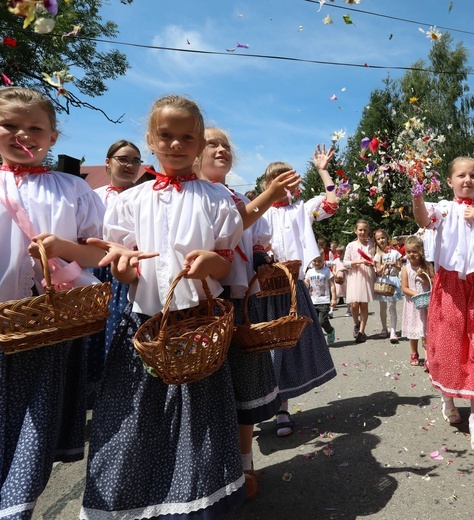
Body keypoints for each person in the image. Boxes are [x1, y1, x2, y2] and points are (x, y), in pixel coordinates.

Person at [0, 86, 107, 518]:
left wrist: (63, 248)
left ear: (53, 137)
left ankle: (16, 508)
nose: (23, 135)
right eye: (9, 126)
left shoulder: (74, 190)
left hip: (47, 326)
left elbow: (98, 254)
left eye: (35, 127)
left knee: (32, 427)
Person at [80, 95, 246, 518]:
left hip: (200, 327)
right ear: (151, 139)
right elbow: (126, 270)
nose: (176, 144)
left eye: (187, 137)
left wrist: (215, 262)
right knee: (137, 418)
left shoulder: (216, 198)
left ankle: (200, 505)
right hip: (145, 322)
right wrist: (122, 268)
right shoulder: (130, 201)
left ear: (199, 143)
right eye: (166, 136)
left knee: (200, 421)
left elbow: (226, 264)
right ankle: (137, 504)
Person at [196, 126, 300, 499]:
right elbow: (229, 226)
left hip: (239, 305)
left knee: (242, 389)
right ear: (195, 151)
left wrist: (262, 263)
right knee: (206, 393)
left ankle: (245, 463)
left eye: (225, 144)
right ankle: (209, 470)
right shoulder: (191, 195)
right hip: (199, 306)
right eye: (212, 143)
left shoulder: (237, 195)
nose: (221, 149)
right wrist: (270, 196)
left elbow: (254, 244)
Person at [412, 156, 474, 455]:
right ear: (451, 180)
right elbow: (423, 220)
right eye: (461, 176)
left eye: (473, 176)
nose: (467, 180)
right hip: (449, 287)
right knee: (449, 348)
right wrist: (417, 196)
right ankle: (448, 399)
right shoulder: (444, 208)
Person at [258, 146, 338, 437]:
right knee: (260, 353)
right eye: (276, 179)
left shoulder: (302, 209)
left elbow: (332, 203)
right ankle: (255, 408)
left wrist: (322, 170)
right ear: (266, 185)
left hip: (291, 288)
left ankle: (282, 410)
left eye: (289, 178)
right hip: (260, 289)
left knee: (286, 351)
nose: (283, 184)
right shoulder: (258, 210)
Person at [85, 140, 143, 404]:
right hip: (93, 273)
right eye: (123, 159)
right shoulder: (91, 196)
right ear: (108, 162)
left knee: (122, 332)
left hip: (126, 274)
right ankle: (89, 393)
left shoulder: (144, 197)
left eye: (135, 160)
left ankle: (118, 395)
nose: (130, 165)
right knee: (91, 334)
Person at [400, 236, 434, 367]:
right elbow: (404, 288)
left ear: (421, 251)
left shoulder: (427, 266)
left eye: (414, 251)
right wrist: (417, 294)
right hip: (413, 304)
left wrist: (423, 277)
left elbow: (434, 283)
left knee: (426, 330)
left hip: (426, 303)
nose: (411, 255)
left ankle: (428, 357)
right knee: (413, 330)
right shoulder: (406, 269)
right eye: (408, 252)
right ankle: (414, 352)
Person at [344, 219, 375, 344]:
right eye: (360, 230)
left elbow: (375, 259)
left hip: (366, 276)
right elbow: (345, 262)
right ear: (355, 231)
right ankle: (356, 324)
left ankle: (361, 332)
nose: (362, 232)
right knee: (354, 304)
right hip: (354, 276)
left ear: (368, 231)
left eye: (365, 230)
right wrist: (359, 261)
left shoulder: (371, 245)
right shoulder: (351, 246)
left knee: (364, 305)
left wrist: (372, 263)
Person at [373, 228, 403, 343]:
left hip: (392, 281)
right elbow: (378, 271)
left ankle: (393, 331)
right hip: (382, 281)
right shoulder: (377, 255)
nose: (381, 240)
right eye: (378, 239)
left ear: (387, 239)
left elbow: (400, 268)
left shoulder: (395, 253)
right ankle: (384, 328)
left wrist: (394, 264)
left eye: (383, 238)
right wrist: (383, 266)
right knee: (383, 307)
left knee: (392, 306)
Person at [304, 254, 337, 345]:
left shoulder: (326, 271)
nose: (317, 263)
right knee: (314, 323)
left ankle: (330, 331)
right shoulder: (310, 272)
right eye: (315, 261)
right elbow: (306, 283)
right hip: (312, 301)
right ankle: (318, 341)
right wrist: (305, 285)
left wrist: (334, 298)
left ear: (323, 260)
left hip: (324, 300)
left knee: (322, 321)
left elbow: (332, 285)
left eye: (320, 261)